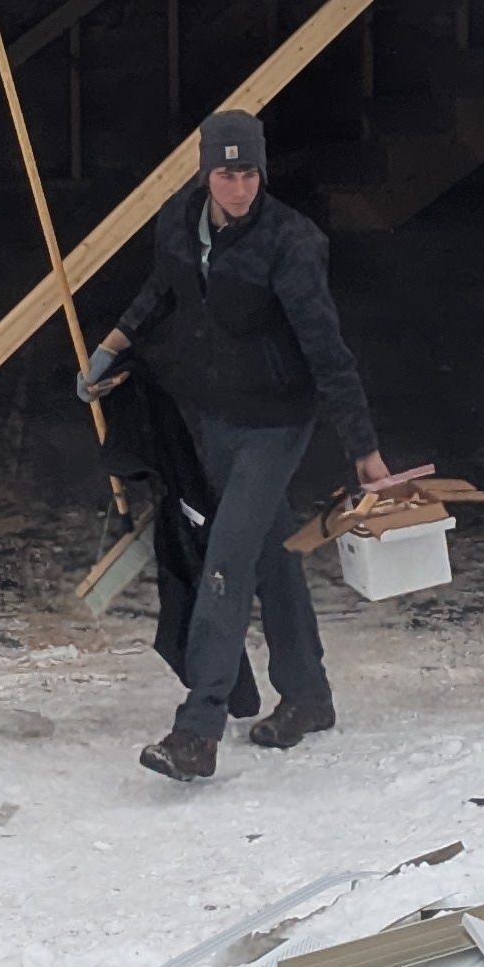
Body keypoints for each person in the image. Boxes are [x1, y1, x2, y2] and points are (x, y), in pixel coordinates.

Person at [84, 104, 390, 780]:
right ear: (207, 173)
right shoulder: (178, 222)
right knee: (272, 554)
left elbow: (327, 349)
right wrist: (110, 348)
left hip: (278, 422)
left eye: (250, 172)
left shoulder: (290, 242)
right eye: (228, 175)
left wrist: (363, 447)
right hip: (219, 417)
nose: (241, 188)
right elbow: (161, 291)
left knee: (225, 562)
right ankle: (308, 695)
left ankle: (198, 729)